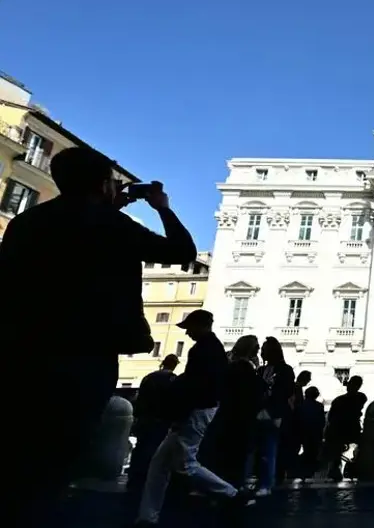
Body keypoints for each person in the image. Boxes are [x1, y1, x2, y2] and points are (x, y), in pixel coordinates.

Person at [0, 146, 196, 526]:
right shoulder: (112, 226)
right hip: (87, 353)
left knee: (19, 449)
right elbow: (182, 250)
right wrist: (161, 207)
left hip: (24, 350)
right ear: (104, 184)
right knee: (61, 453)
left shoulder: (27, 222)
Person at [135, 310, 251, 526]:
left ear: (201, 326)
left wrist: (178, 410)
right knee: (160, 464)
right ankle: (147, 516)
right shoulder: (213, 348)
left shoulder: (202, 350)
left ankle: (232, 494)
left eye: (190, 327)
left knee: (185, 464)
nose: (187, 332)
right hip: (199, 410)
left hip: (195, 411)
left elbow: (194, 386)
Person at [201, 334, 265, 489]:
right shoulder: (245, 370)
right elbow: (254, 395)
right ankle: (232, 491)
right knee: (236, 459)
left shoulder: (229, 367)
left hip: (226, 418)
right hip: (240, 421)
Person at [249, 337, 295, 495]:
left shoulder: (285, 370)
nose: (261, 352)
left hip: (274, 413)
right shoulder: (262, 370)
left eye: (264, 349)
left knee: (270, 449)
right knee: (263, 450)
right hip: (261, 413)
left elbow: (286, 392)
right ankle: (263, 481)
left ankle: (267, 483)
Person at [128, 355, 181, 494]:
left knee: (140, 448)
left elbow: (140, 399)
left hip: (145, 419)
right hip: (161, 422)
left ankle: (133, 479)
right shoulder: (173, 380)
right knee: (156, 452)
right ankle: (146, 481)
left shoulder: (149, 377)